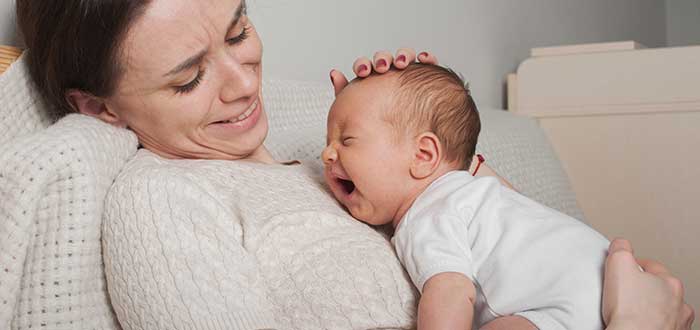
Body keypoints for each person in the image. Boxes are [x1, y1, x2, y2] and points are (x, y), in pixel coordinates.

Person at [15, 0, 694, 329]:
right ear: (100, 108)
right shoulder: (162, 203)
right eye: (189, 79)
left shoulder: (319, 170)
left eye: (238, 33)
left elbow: (490, 221)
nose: (246, 85)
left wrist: (415, 127)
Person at [322, 63, 611, 329]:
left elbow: (451, 291)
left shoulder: (427, 213)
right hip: (608, 271)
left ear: (423, 155)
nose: (326, 154)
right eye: (328, 142)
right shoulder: (478, 190)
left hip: (561, 301)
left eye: (347, 140)